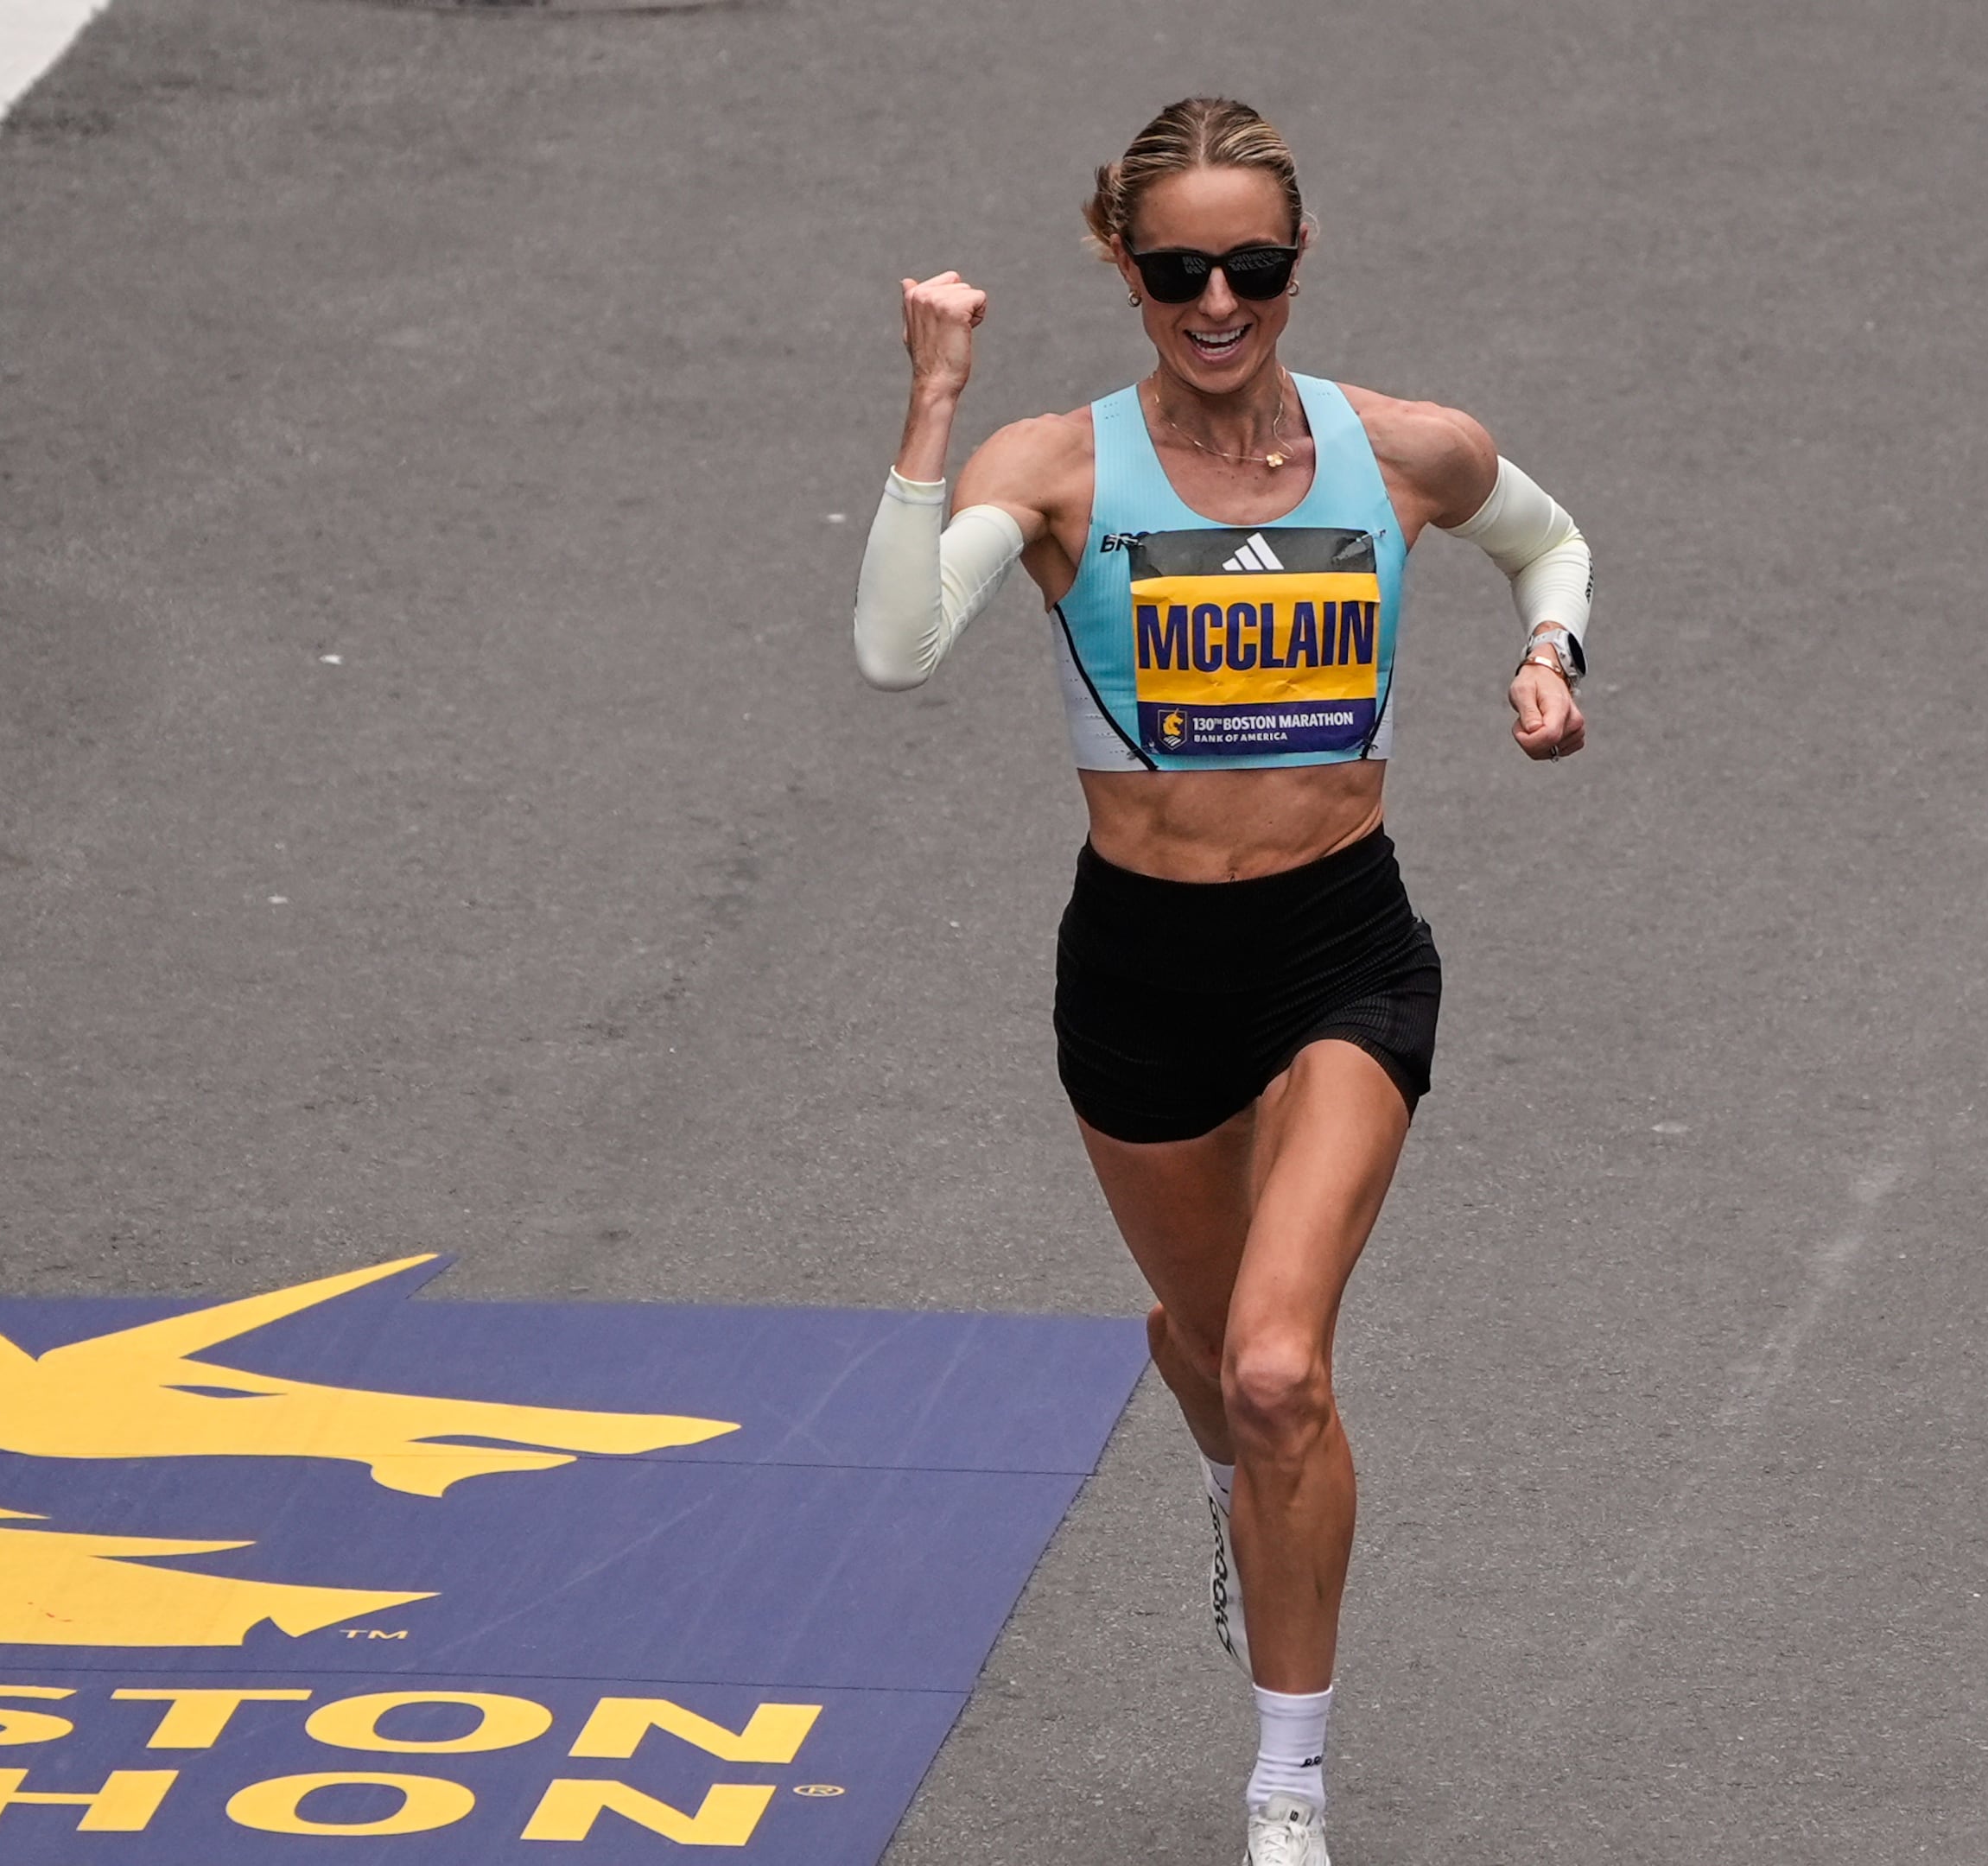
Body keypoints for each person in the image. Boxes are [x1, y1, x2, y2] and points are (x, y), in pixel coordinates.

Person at [847, 97, 1593, 1866]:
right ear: (1122, 264)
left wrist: (1553, 657)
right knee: (1199, 1348)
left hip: (1339, 950)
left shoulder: (1403, 451)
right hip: (1142, 973)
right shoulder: (1059, 472)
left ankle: (1287, 1790)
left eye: (1248, 266)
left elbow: (1548, 545)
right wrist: (937, 403)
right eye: (1176, 268)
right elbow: (893, 649)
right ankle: (1235, 1499)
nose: (1214, 299)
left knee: (1277, 1369)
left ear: (1297, 262)